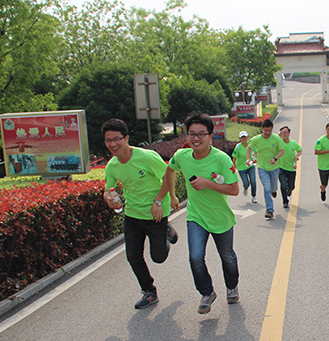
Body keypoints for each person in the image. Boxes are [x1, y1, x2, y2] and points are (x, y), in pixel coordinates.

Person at [165, 113, 240, 314]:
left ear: (210, 137)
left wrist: (207, 183)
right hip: (196, 217)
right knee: (196, 257)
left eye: (201, 134)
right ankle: (207, 292)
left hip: (220, 217)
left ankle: (232, 287)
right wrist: (172, 195)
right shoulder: (182, 156)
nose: (196, 138)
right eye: (192, 134)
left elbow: (234, 189)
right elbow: (169, 170)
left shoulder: (221, 159)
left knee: (227, 257)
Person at [102, 118, 177, 310]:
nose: (113, 144)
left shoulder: (146, 157)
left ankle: (166, 230)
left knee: (158, 258)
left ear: (126, 138)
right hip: (132, 214)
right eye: (108, 140)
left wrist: (158, 201)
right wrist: (109, 198)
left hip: (155, 213)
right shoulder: (112, 165)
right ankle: (149, 292)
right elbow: (108, 190)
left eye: (117, 139)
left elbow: (168, 176)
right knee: (133, 256)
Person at [246, 119, 285, 219]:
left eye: (270, 130)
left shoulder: (276, 138)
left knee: (273, 187)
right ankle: (269, 211)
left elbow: (282, 150)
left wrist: (275, 158)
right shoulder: (256, 139)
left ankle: (274, 190)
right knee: (267, 188)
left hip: (274, 167)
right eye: (265, 130)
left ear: (272, 129)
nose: (267, 133)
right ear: (262, 129)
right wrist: (248, 158)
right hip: (262, 168)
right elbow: (249, 147)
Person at [277, 126, 302, 209]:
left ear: (289, 133)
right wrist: (279, 135)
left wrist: (297, 156)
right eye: (282, 132)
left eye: (286, 132)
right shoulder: (279, 142)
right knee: (283, 185)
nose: (284, 134)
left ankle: (290, 189)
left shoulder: (293, 143)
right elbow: (275, 138)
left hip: (291, 168)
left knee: (291, 186)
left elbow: (300, 150)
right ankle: (285, 201)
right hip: (281, 167)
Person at [232, 131, 257, 204]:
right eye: (242, 138)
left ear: (247, 137)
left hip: (251, 166)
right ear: (240, 139)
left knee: (253, 181)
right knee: (246, 183)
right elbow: (234, 157)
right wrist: (234, 168)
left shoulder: (251, 144)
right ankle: (245, 188)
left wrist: (256, 159)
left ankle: (253, 196)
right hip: (241, 168)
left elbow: (256, 152)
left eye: (245, 137)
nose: (244, 139)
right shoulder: (238, 147)